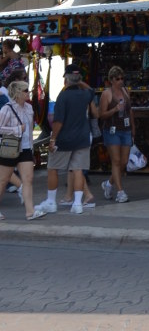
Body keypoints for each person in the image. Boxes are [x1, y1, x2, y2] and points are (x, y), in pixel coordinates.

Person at [33, 66, 96, 218]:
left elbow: (58, 121)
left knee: (53, 168)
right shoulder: (85, 94)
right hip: (82, 137)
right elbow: (92, 91)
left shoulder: (63, 96)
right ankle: (78, 204)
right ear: (79, 79)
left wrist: (53, 138)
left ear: (66, 78)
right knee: (78, 169)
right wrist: (80, 81)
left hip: (65, 138)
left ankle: (51, 201)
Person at [0, 78, 36, 221]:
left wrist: (32, 147)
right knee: (2, 180)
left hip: (26, 148)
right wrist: (16, 129)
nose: (28, 93)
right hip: (10, 148)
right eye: (25, 90)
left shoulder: (29, 108)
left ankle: (30, 212)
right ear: (18, 93)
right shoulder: (6, 109)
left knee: (28, 179)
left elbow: (31, 128)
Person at [98, 65, 134, 203]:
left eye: (122, 78)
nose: (121, 81)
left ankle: (108, 184)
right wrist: (114, 109)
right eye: (118, 79)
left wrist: (133, 128)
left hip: (125, 129)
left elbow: (130, 111)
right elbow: (101, 115)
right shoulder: (106, 94)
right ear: (111, 80)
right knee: (116, 161)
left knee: (124, 162)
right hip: (112, 130)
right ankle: (120, 191)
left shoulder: (126, 91)